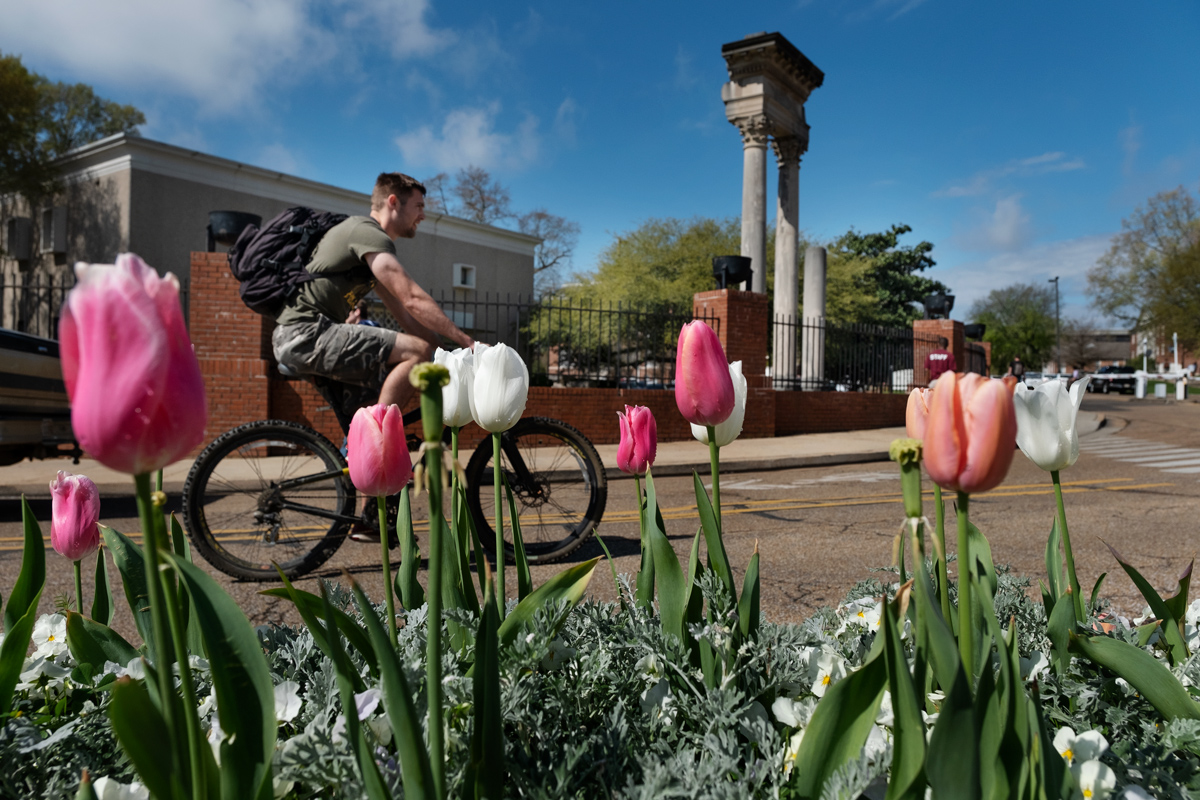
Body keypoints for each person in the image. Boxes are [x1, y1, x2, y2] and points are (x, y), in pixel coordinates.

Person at [271, 172, 473, 412]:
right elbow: (412, 298)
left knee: (366, 406)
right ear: (393, 202)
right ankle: (380, 435)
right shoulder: (366, 232)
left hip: (307, 336)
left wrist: (444, 353)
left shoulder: (368, 249)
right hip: (306, 334)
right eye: (418, 206)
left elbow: (404, 314)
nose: (423, 215)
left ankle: (357, 447)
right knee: (417, 352)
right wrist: (469, 343)